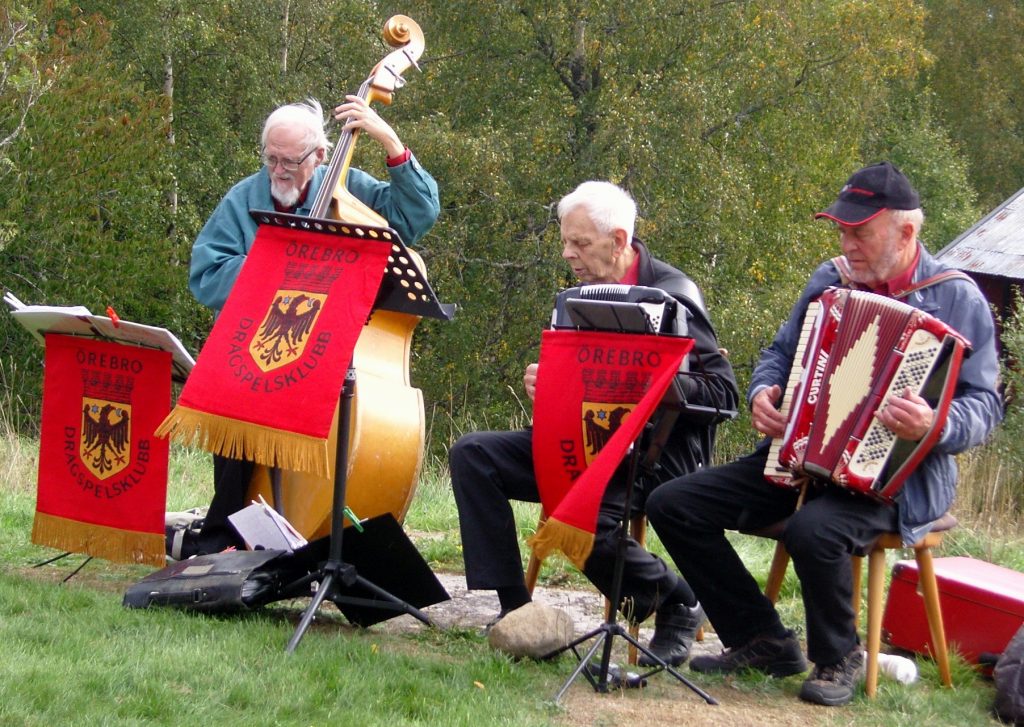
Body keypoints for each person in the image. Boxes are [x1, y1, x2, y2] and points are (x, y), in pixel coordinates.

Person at [645, 161, 1003, 706]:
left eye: (859, 231)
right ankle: (761, 639)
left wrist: (936, 424)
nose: (847, 243)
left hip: (900, 478)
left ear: (907, 232)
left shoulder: (957, 299)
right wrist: (764, 395)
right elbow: (778, 356)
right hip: (801, 459)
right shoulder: (829, 278)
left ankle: (840, 658)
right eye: (841, 230)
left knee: (814, 529)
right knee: (673, 503)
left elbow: (985, 406)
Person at [449, 180, 739, 665]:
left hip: (653, 457)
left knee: (575, 512)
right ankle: (515, 611)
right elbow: (582, 381)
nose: (567, 253)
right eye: (565, 241)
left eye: (579, 243)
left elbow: (723, 394)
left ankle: (677, 601)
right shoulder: (581, 296)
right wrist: (550, 382)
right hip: (584, 444)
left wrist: (655, 383)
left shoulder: (675, 295)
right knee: (473, 454)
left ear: (619, 240)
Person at [167, 96, 440, 560]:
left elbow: (416, 217)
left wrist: (390, 142)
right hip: (263, 348)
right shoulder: (243, 198)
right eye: (270, 158)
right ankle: (224, 534)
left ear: (319, 155)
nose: (279, 169)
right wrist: (274, 270)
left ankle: (320, 534)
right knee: (232, 390)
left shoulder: (351, 190)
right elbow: (207, 274)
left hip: (332, 355)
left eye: (290, 161)